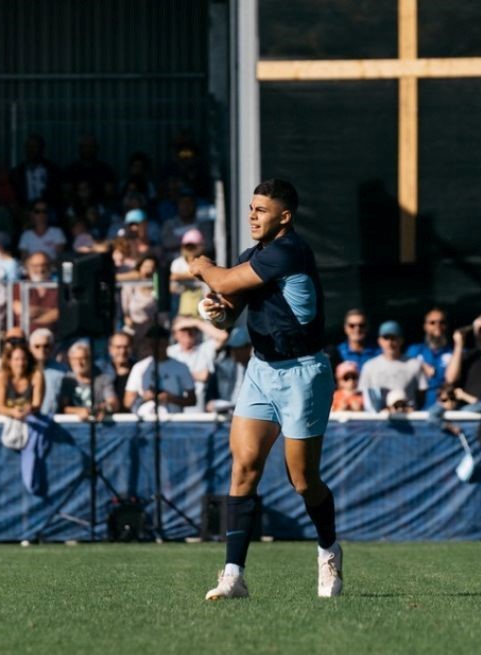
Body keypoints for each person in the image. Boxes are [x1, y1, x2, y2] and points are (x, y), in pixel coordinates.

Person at [187, 179, 340, 600]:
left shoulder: (289, 250)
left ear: (284, 217)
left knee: (303, 480)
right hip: (262, 368)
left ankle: (328, 549)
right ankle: (233, 574)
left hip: (303, 372)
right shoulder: (252, 257)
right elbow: (228, 316)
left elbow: (217, 276)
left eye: (261, 210)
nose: (252, 215)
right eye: (251, 208)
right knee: (245, 465)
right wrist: (216, 310)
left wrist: (201, 268)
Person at [123, 325, 196, 415]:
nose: (155, 348)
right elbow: (127, 402)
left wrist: (170, 398)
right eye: (151, 345)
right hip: (145, 419)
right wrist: (144, 398)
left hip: (173, 420)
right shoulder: (139, 367)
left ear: (166, 343)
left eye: (159, 344)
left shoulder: (181, 367)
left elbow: (192, 400)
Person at [357, 321, 425, 412]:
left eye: (394, 338)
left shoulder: (414, 364)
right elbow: (364, 396)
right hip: (378, 421)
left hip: (408, 418)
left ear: (401, 340)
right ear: (379, 341)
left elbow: (421, 396)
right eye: (386, 338)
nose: (390, 342)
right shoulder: (369, 366)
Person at [405, 307, 453, 409]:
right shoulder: (414, 350)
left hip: (446, 409)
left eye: (442, 322)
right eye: (432, 323)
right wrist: (420, 364)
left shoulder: (454, 352)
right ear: (425, 326)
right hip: (419, 411)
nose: (438, 326)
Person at [57, 341, 116, 418]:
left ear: (90, 359)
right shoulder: (66, 380)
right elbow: (63, 408)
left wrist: (103, 408)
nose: (79, 363)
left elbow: (113, 402)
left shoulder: (103, 379)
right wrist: (78, 411)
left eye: (83, 358)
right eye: (75, 359)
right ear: (70, 361)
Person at [0, 339, 44, 421]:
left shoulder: (36, 376)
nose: (20, 363)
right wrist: (12, 412)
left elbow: (37, 404)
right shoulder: (2, 377)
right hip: (7, 422)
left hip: (31, 421)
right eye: (16, 359)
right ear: (9, 361)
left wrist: (30, 409)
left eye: (24, 359)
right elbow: (0, 407)